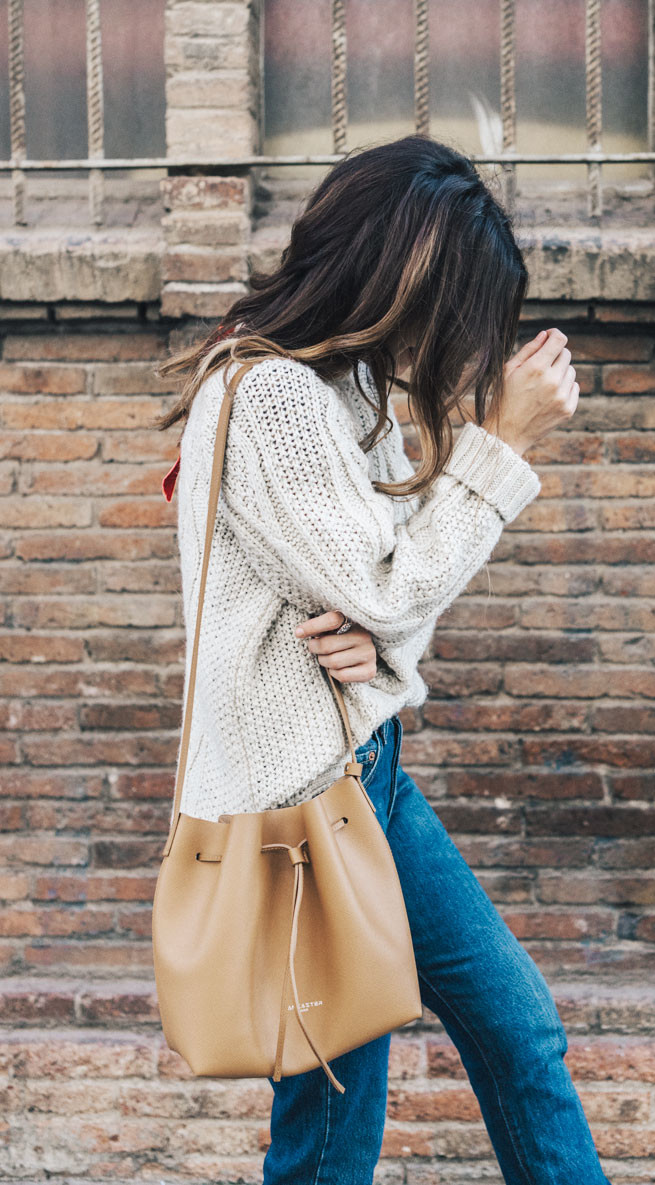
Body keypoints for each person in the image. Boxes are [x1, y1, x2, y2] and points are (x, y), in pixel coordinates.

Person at [154, 134, 610, 1185]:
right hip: (303, 808)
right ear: (400, 274)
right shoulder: (268, 398)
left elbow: (400, 592)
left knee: (518, 1030)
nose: (452, 338)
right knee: (330, 1125)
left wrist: (384, 634)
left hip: (370, 776)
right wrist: (505, 442)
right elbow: (392, 581)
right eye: (453, 304)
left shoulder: (348, 393)